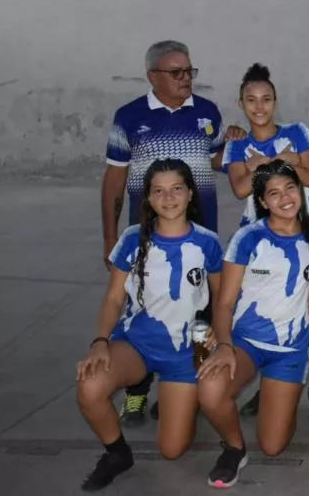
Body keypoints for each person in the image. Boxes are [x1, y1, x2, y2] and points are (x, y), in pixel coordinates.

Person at [101, 40, 239, 425]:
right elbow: (114, 181)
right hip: (148, 243)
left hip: (197, 240)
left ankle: (182, 386)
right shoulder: (129, 117)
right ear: (153, 77)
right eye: (176, 72)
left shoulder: (207, 112)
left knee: (198, 316)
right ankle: (137, 391)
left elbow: (216, 157)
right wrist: (111, 238)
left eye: (189, 71)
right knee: (142, 314)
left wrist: (238, 145)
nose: (186, 79)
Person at [76, 159, 222, 491]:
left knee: (172, 450)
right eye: (158, 191)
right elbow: (114, 298)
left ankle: (186, 397)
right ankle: (117, 453)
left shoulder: (207, 242)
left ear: (189, 194)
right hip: (138, 342)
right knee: (90, 385)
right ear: (148, 198)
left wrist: (214, 340)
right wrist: (100, 340)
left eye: (176, 190)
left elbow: (221, 296)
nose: (168, 198)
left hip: (187, 349)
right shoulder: (132, 239)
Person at [197, 161, 309, 488]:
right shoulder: (247, 238)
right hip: (246, 343)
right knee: (210, 389)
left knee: (273, 446)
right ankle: (234, 448)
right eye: (274, 194)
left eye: (290, 189)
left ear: (301, 190)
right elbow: (223, 303)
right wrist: (224, 345)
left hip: (290, 351)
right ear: (263, 202)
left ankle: (278, 394)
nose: (285, 198)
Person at [222, 63, 309, 419]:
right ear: (241, 103)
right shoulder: (237, 143)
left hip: (303, 230)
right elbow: (240, 188)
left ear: (276, 101)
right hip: (261, 238)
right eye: (251, 100)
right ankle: (268, 378)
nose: (259, 107)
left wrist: (263, 162)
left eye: (266, 99)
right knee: (266, 307)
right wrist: (281, 161)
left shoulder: (297, 132)